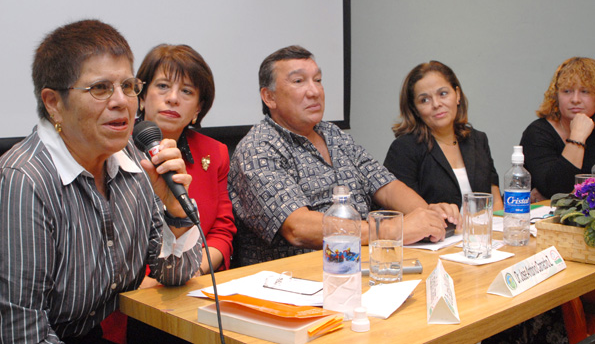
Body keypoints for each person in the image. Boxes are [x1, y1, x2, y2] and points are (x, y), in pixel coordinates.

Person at [0, 20, 202, 343]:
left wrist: (176, 209)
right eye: (100, 88)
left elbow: (175, 274)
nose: (121, 101)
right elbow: (23, 333)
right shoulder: (26, 180)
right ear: (53, 103)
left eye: (128, 86)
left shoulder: (134, 159)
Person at [228, 45, 460, 267]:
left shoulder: (333, 134)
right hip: (293, 284)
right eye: (299, 81)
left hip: (361, 266)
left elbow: (386, 186)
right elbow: (297, 228)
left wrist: (428, 218)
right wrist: (393, 230)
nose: (314, 91)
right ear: (269, 97)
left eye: (318, 80)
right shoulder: (258, 147)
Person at [136, 44, 236, 278]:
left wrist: (194, 271)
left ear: (198, 109)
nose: (172, 99)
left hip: (193, 283)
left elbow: (222, 230)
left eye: (187, 92)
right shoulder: (114, 153)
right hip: (133, 293)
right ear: (141, 97)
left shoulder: (214, 153)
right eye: (162, 86)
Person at [383, 60, 503, 210]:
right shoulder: (404, 149)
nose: (436, 104)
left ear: (457, 95)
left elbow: (495, 199)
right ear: (415, 110)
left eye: (443, 94)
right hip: (439, 233)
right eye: (424, 100)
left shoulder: (478, 140)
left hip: (483, 231)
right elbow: (402, 212)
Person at [520, 57, 595, 201]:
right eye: (567, 91)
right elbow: (557, 190)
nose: (575, 99)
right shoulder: (537, 132)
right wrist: (578, 136)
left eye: (585, 91)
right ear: (556, 96)